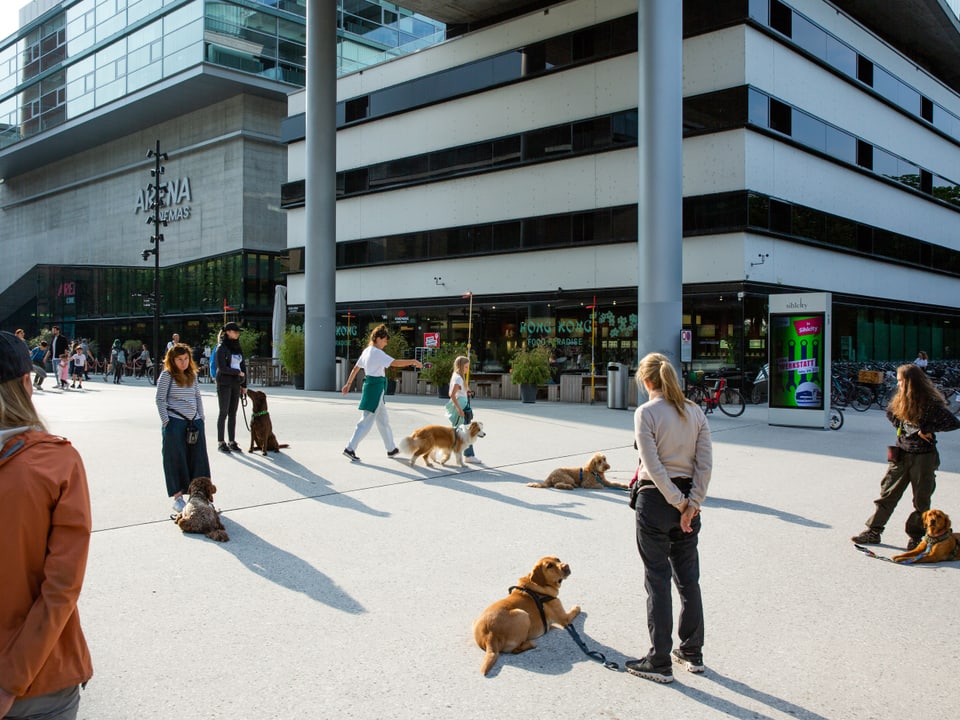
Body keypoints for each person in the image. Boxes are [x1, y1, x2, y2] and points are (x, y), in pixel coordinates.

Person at [0, 330, 94, 719]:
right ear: (26, 384)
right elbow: (60, 588)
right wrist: (10, 679)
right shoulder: (58, 463)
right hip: (43, 675)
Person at [626, 352, 712, 684]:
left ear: (646, 381)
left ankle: (659, 660)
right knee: (689, 579)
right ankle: (692, 651)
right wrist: (693, 503)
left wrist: (677, 503)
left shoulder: (646, 413)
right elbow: (705, 463)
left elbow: (652, 464)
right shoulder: (695, 411)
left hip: (657, 502)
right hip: (689, 501)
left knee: (657, 579)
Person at [851, 363, 960, 549]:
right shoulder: (900, 399)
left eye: (901, 381)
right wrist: (905, 429)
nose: (898, 384)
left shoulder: (929, 403)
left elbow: (953, 422)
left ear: (911, 382)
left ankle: (916, 537)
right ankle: (873, 531)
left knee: (921, 500)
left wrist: (926, 429)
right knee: (888, 494)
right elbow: (890, 414)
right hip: (901, 454)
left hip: (923, 457)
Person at [341, 324, 422, 461]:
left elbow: (356, 368)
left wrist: (348, 384)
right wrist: (413, 361)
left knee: (383, 420)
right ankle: (350, 448)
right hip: (375, 388)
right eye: (384, 340)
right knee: (366, 421)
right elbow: (395, 363)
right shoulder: (377, 353)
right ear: (378, 338)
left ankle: (391, 449)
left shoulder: (367, 351)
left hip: (372, 386)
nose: (386, 343)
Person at [156, 343, 211, 512]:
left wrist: (201, 418)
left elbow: (198, 397)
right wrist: (167, 422)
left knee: (199, 459)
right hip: (175, 421)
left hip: (194, 422)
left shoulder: (192, 375)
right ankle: (178, 497)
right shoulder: (167, 375)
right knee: (175, 459)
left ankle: (201, 496)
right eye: (179, 359)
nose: (183, 362)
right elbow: (160, 399)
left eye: (186, 358)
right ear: (172, 360)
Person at [214, 322, 246, 453]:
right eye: (235, 331)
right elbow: (222, 368)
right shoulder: (221, 348)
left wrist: (244, 384)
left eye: (238, 332)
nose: (237, 334)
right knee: (223, 412)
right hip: (224, 383)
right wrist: (236, 373)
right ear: (228, 332)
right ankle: (221, 441)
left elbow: (243, 366)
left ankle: (232, 441)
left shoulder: (237, 347)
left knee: (233, 412)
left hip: (236, 383)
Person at [448, 354, 480, 463]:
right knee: (467, 431)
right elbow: (452, 394)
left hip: (462, 406)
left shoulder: (457, 376)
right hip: (461, 407)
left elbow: (455, 392)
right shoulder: (458, 378)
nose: (467, 369)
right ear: (461, 366)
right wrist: (459, 409)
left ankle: (460, 453)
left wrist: (467, 392)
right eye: (466, 367)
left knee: (460, 431)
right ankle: (469, 455)